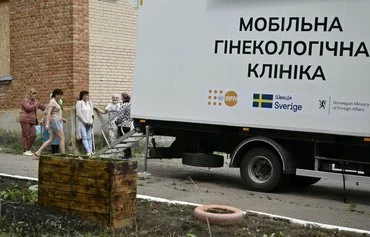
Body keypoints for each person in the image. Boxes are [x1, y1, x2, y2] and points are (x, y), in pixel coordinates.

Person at [33, 89, 66, 159]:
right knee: (62, 138)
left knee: (51, 139)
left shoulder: (55, 102)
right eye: (60, 95)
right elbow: (48, 113)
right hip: (55, 122)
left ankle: (38, 152)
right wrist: (47, 123)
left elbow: (55, 114)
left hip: (55, 121)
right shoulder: (52, 102)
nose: (61, 97)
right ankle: (63, 155)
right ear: (56, 95)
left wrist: (62, 119)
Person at [19, 88, 46, 156]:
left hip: (32, 121)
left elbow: (42, 107)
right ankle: (25, 150)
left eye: (35, 94)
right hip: (25, 119)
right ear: (30, 94)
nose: (35, 95)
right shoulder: (25, 100)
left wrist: (49, 108)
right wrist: (35, 105)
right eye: (34, 94)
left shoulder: (35, 101)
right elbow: (28, 108)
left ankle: (28, 149)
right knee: (25, 135)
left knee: (33, 135)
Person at [76, 90, 94, 156]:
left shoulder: (90, 103)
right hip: (82, 123)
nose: (86, 97)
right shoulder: (79, 102)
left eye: (87, 95)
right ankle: (88, 151)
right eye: (85, 95)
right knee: (84, 137)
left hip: (89, 123)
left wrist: (91, 121)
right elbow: (78, 113)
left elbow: (92, 113)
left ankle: (91, 150)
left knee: (90, 137)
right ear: (82, 96)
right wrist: (85, 121)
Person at [115, 93, 132, 158]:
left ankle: (126, 155)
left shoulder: (123, 105)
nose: (121, 99)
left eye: (121, 97)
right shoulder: (130, 105)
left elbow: (120, 116)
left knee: (123, 140)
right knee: (127, 140)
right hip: (129, 125)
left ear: (124, 98)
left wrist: (116, 122)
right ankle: (128, 155)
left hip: (123, 125)